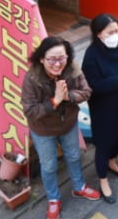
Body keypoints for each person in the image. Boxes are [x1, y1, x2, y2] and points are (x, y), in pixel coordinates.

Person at [21, 36, 101, 219]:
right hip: (43, 130)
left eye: (62, 58)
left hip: (68, 124)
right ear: (41, 58)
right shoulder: (32, 78)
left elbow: (87, 91)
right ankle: (53, 199)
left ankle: (79, 187)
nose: (57, 64)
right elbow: (30, 112)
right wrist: (54, 101)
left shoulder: (72, 68)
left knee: (73, 156)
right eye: (52, 59)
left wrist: (67, 97)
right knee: (49, 166)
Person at [81, 14, 118, 204]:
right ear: (99, 34)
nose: (115, 34)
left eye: (116, 30)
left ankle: (113, 162)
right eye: (110, 32)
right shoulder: (91, 56)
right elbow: (94, 86)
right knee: (104, 144)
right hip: (104, 110)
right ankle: (103, 180)